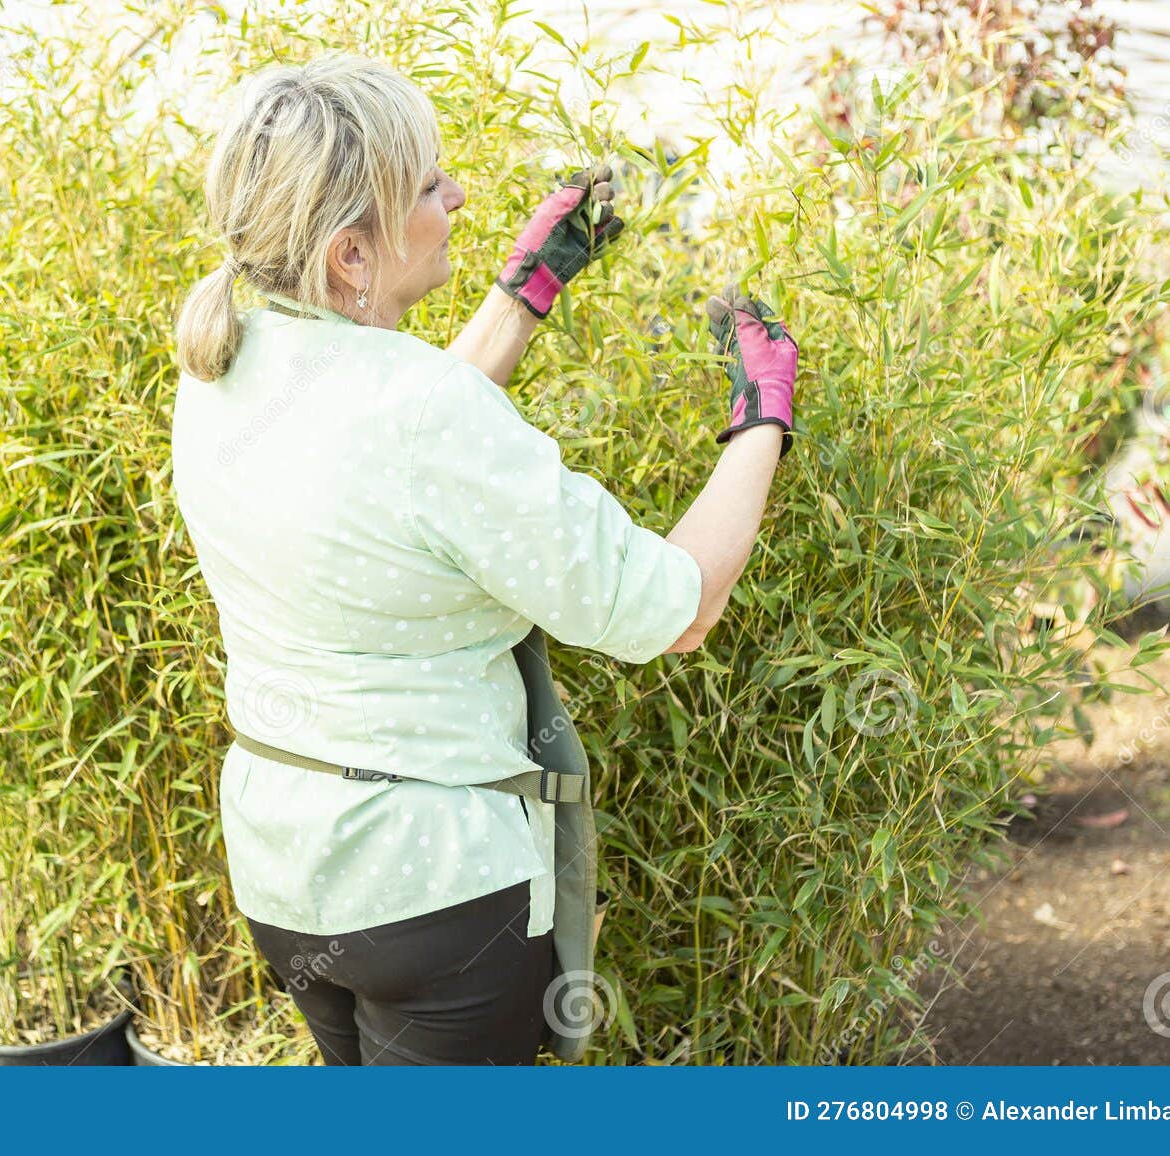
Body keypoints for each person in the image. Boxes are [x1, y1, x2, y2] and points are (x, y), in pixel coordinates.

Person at [170, 51, 796, 1066]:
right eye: (427, 185)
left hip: (289, 878)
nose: (456, 195)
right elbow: (673, 609)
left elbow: (385, 449)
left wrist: (523, 294)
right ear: (350, 255)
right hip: (439, 898)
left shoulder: (222, 366)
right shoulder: (422, 413)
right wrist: (762, 417)